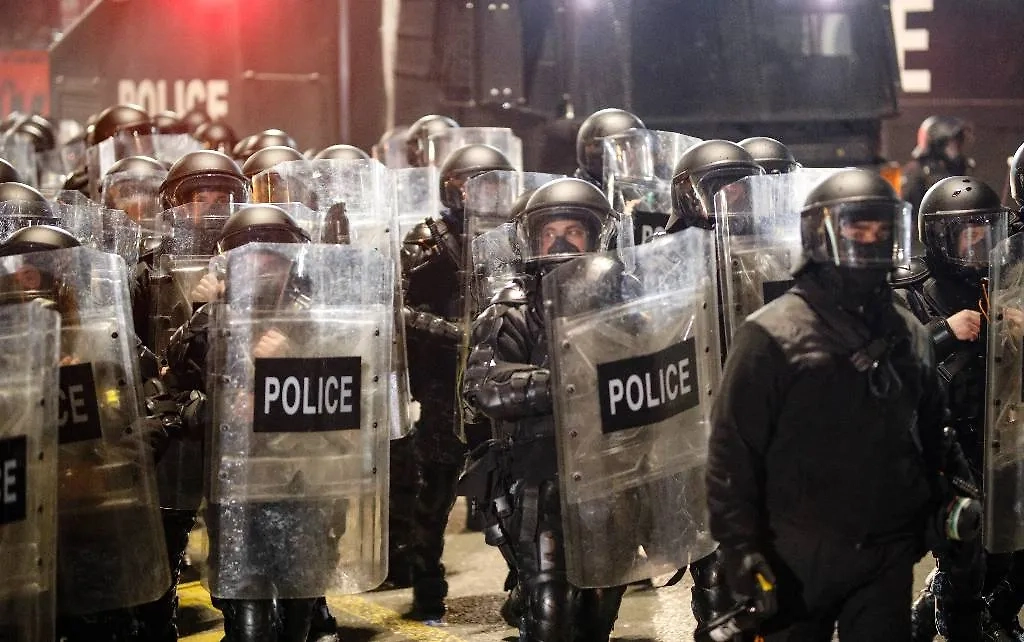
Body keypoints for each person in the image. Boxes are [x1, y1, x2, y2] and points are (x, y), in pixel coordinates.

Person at [707, 168, 981, 640]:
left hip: (885, 548)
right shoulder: (770, 334)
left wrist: (954, 497)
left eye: (881, 230)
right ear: (822, 234)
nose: (870, 242)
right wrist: (740, 548)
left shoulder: (906, 329)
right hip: (794, 552)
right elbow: (732, 456)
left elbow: (934, 429)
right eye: (858, 229)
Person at [461, 177, 627, 641]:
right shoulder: (510, 310)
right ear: (530, 239)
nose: (560, 243)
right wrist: (568, 384)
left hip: (614, 469)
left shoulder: (629, 300)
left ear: (597, 236)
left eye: (573, 231)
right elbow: (484, 387)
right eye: (549, 232)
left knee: (598, 611)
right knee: (550, 607)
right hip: (537, 475)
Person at [897, 175, 1021, 642]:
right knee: (964, 548)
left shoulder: (1005, 277)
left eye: (987, 233)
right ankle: (959, 626)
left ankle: (951, 616)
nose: (979, 246)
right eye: (968, 235)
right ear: (938, 236)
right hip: (939, 439)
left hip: (997, 431)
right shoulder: (909, 285)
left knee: (1003, 547)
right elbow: (890, 360)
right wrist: (945, 330)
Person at [400, 143, 515, 620]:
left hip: (500, 374)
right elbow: (399, 309)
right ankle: (427, 585)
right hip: (443, 383)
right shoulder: (428, 239)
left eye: (491, 184)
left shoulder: (515, 235)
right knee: (434, 493)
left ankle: (525, 582)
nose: (480, 194)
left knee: (512, 485)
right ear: (453, 189)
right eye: (470, 184)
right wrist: (453, 332)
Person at [902, 116, 973, 215]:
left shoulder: (959, 171)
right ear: (938, 144)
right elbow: (908, 210)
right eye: (953, 142)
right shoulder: (915, 171)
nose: (957, 148)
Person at [574, 108, 645, 189]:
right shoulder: (577, 193)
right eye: (623, 148)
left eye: (636, 147)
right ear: (597, 154)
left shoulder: (643, 192)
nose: (633, 156)